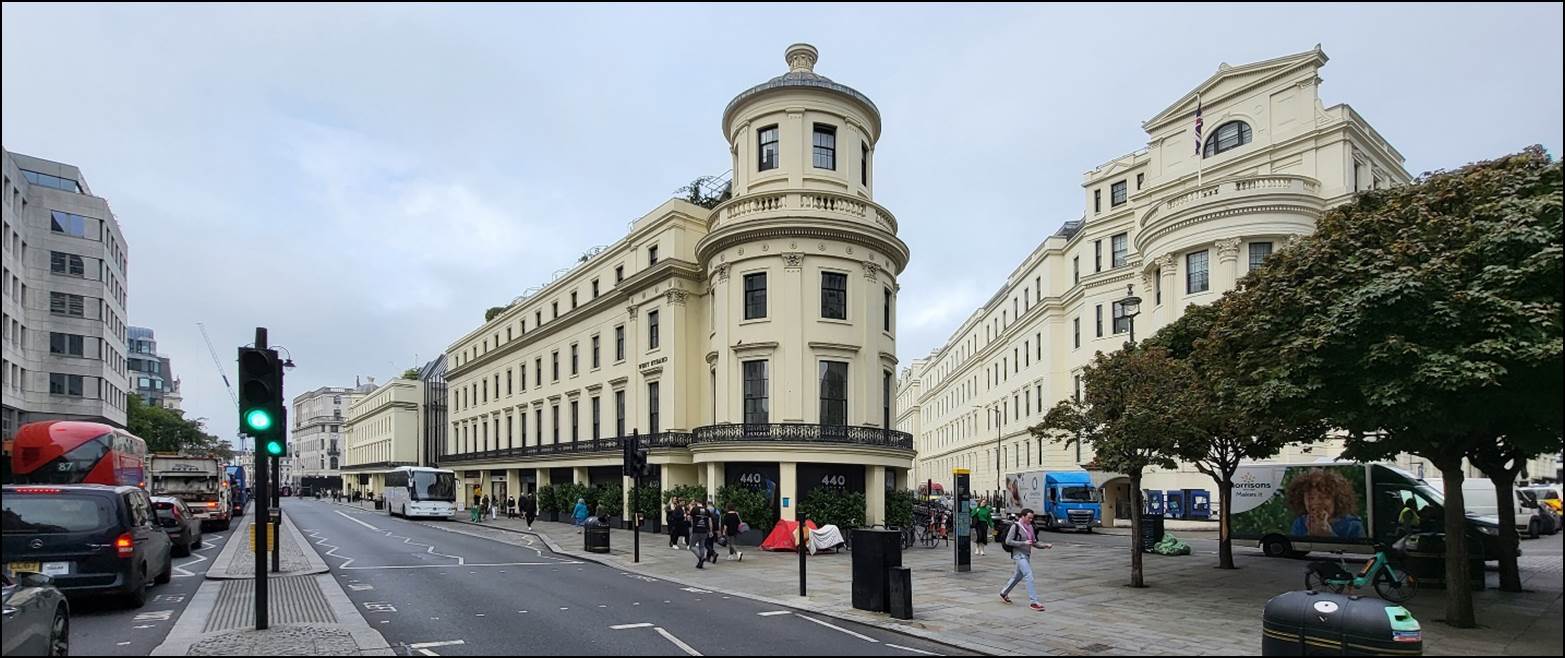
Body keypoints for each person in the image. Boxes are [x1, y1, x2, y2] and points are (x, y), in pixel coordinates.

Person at [1286, 468, 1366, 539]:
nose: (1316, 502)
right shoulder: (1299, 523)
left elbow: (1359, 553)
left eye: (1323, 497)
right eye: (1310, 498)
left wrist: (1328, 535)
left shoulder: (1353, 525)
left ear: (1337, 500)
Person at [999, 508, 1052, 611]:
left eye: (1032, 518)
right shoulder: (1015, 527)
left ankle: (1004, 592)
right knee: (1029, 575)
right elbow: (1008, 541)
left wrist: (1045, 545)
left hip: (1026, 555)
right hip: (1018, 555)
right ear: (1022, 516)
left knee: (1017, 576)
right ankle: (1034, 602)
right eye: (1029, 518)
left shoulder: (1030, 527)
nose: (1030, 520)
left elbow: (1033, 542)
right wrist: (1023, 543)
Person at [688, 500, 713, 569]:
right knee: (701, 546)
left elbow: (689, 518)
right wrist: (710, 531)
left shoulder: (694, 509)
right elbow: (710, 521)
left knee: (692, 546)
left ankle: (701, 557)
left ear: (697, 503)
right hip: (704, 531)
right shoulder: (707, 510)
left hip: (696, 530)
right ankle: (701, 561)